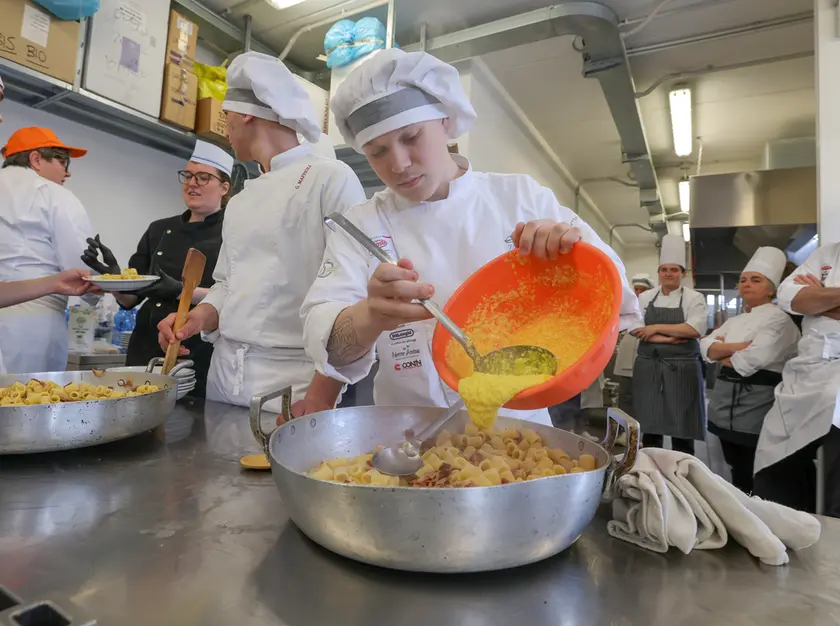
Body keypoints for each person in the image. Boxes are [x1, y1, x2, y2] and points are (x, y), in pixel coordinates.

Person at [300, 49, 642, 426]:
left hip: (522, 432)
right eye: (377, 152)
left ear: (445, 120)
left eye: (411, 137)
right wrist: (370, 315)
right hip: (406, 435)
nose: (398, 164)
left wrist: (570, 256)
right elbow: (331, 348)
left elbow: (615, 295)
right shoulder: (361, 225)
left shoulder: (522, 198)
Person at [157, 52, 366, 415]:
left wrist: (324, 391)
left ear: (246, 115)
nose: (225, 127)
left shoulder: (329, 178)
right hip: (225, 376)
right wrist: (199, 316)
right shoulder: (241, 199)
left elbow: (355, 289)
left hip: (294, 383)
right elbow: (227, 284)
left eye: (226, 116)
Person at [81, 141, 233, 398]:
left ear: (224, 187)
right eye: (188, 175)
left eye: (203, 177)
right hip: (146, 343)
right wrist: (115, 278)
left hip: (198, 346)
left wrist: (180, 291)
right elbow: (131, 299)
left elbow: (233, 295)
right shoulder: (159, 229)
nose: (192, 183)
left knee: (192, 416)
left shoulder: (232, 232)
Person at [698, 247, 800, 493]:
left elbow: (751, 360)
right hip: (724, 401)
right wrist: (739, 347)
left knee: (754, 462)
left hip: (758, 400)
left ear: (772, 289)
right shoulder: (735, 320)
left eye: (756, 280)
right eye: (743, 280)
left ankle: (757, 506)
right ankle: (740, 500)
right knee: (733, 460)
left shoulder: (780, 319)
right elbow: (705, 347)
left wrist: (722, 350)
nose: (747, 284)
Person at [753, 242, 840, 514]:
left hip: (834, 380)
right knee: (774, 453)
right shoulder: (827, 253)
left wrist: (819, 299)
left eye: (755, 280)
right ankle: (784, 521)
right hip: (804, 372)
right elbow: (788, 296)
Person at [0, 127, 94, 373]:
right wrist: (98, 292)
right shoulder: (54, 194)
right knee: (32, 394)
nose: (67, 171)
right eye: (63, 161)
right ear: (36, 159)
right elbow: (82, 268)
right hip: (34, 321)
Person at [631, 235, 707, 454]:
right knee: (650, 421)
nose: (668, 274)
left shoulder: (694, 298)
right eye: (664, 270)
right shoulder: (645, 297)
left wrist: (654, 328)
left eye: (674, 270)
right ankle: (650, 465)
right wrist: (668, 338)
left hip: (682, 368)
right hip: (649, 366)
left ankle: (682, 468)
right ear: (659, 273)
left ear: (683, 273)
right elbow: (635, 327)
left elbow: (694, 329)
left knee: (682, 424)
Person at [613, 273, 655, 420]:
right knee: (625, 394)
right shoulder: (627, 305)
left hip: (645, 354)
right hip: (627, 354)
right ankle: (623, 427)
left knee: (644, 394)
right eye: (636, 289)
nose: (638, 293)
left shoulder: (652, 306)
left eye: (642, 290)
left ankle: (642, 426)